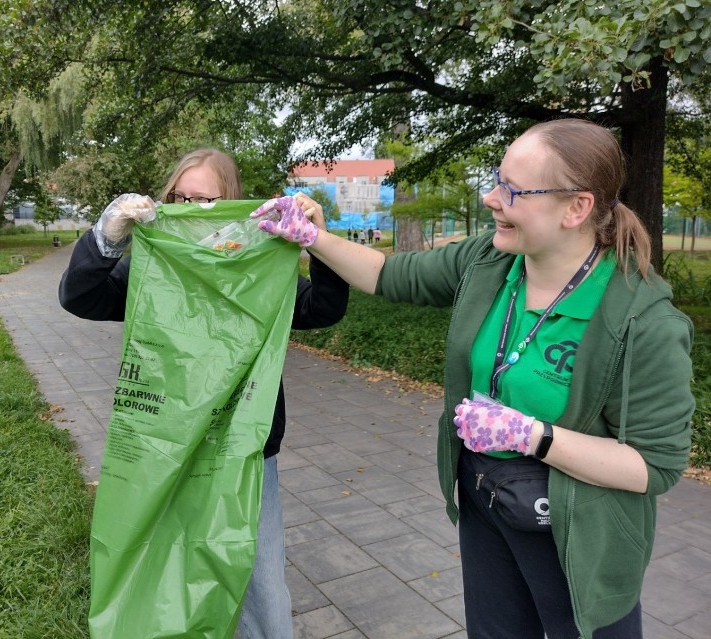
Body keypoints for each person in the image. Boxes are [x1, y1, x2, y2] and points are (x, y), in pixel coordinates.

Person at [252, 119, 694, 639]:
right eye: (495, 179)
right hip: (487, 501)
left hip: (579, 531)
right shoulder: (490, 262)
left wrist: (534, 435)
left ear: (577, 208)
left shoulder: (643, 321)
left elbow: (654, 466)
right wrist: (314, 238)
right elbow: (389, 274)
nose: (490, 198)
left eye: (512, 189)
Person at [58, 148, 350, 638]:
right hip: (165, 446)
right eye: (181, 196)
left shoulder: (259, 267)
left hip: (244, 454)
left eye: (207, 200)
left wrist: (318, 243)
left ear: (232, 202)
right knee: (168, 560)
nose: (192, 206)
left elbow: (321, 309)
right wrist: (107, 238)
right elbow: (80, 296)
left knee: (261, 585)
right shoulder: (153, 267)